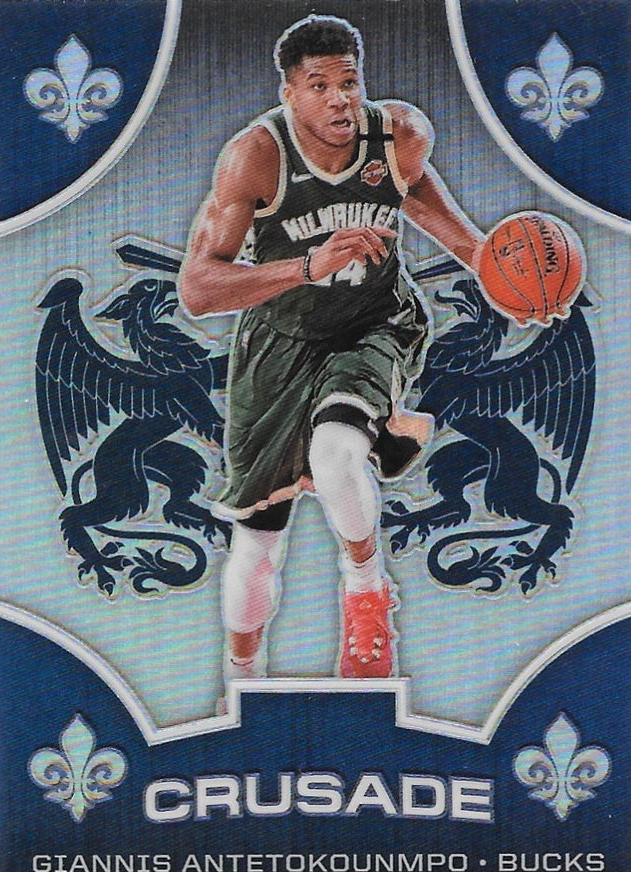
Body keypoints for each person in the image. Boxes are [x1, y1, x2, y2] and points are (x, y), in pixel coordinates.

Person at [179, 15, 484, 696]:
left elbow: (417, 190)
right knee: (258, 543)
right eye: (320, 86)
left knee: (336, 452)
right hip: (280, 344)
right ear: (290, 93)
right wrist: (306, 266)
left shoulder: (398, 134)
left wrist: (494, 267)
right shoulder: (255, 157)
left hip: (373, 323)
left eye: (349, 82)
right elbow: (198, 289)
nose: (341, 99)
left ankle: (366, 590)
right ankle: (241, 681)